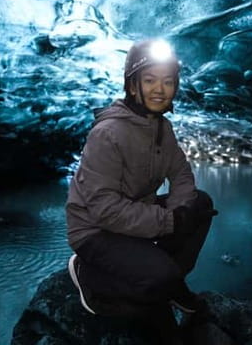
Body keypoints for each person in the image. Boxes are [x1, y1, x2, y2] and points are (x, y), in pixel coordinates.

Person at [65, 37, 217, 317]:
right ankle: (89, 275)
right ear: (133, 85)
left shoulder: (161, 127)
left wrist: (181, 211)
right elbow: (104, 210)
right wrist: (169, 221)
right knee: (158, 280)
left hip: (133, 217)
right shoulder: (107, 134)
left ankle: (171, 280)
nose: (160, 89)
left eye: (168, 82)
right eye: (150, 80)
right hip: (95, 231)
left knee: (201, 203)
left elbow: (181, 174)